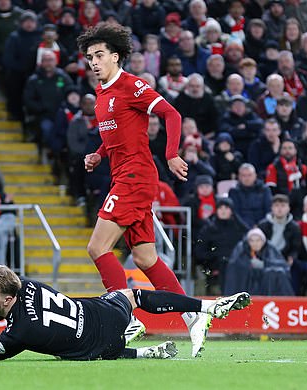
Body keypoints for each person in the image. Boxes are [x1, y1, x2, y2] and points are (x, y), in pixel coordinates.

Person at [77, 23, 214, 358]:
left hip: (135, 178)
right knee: (145, 257)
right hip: (123, 176)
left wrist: (171, 154)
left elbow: (171, 113)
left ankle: (123, 318)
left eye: (99, 55)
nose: (93, 62)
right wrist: (100, 152)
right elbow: (119, 134)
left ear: (115, 56)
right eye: (89, 57)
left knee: (98, 248)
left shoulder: (131, 85)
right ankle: (193, 314)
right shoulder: (102, 92)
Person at [0, 265, 251, 361]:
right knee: (131, 294)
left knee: (79, 349)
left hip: (95, 349)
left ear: (8, 298)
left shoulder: (21, 331)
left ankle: (132, 345)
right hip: (104, 315)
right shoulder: (27, 286)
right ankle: (205, 307)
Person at [195, 197, 249, 295]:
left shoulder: (239, 228)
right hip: (214, 267)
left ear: (231, 211)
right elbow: (200, 253)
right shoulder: (208, 229)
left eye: (226, 208)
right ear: (216, 210)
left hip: (236, 267)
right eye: (220, 208)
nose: (223, 211)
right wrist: (215, 259)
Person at [224, 227, 295, 296]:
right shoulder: (241, 250)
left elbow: (281, 265)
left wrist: (264, 264)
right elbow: (235, 265)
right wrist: (250, 266)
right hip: (248, 282)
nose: (255, 243)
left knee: (275, 273)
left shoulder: (270, 249)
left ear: (263, 241)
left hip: (267, 282)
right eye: (252, 241)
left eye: (258, 240)